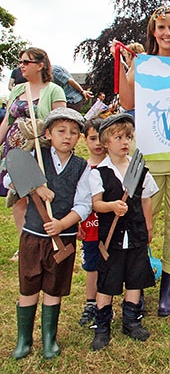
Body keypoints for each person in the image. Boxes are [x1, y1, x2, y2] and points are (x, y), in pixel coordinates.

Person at [113, 5, 170, 317]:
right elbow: (127, 101)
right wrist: (128, 66)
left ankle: (169, 289)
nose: (167, 33)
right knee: (139, 221)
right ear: (153, 32)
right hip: (149, 155)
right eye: (161, 28)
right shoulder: (144, 63)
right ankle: (136, 283)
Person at [9, 107, 91, 360]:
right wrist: (34, 185)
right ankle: (24, 340)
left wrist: (63, 224)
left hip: (62, 240)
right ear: (48, 133)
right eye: (61, 131)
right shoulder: (35, 156)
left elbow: (83, 204)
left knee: (54, 288)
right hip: (33, 235)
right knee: (29, 285)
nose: (67, 136)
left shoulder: (81, 166)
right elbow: (9, 180)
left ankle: (49, 340)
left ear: (79, 138)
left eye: (74, 132)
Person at [89, 114, 158, 350]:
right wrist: (111, 206)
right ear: (105, 142)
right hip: (111, 239)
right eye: (118, 137)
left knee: (135, 277)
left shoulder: (140, 170)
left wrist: (148, 226)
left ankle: (131, 321)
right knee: (108, 280)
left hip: (136, 233)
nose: (124, 141)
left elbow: (147, 199)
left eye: (128, 136)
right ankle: (102, 327)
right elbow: (96, 203)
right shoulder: (99, 172)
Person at [0, 48, 67, 258]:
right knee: (18, 197)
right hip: (14, 151)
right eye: (21, 62)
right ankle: (25, 244)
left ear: (41, 65)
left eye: (27, 62)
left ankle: (43, 239)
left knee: (36, 198)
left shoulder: (54, 90)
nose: (22, 65)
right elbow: (6, 121)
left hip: (39, 151)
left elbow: (61, 121)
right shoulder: (17, 90)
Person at [78, 118, 106, 327]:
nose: (98, 143)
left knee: (115, 264)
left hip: (112, 228)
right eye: (93, 138)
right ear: (85, 140)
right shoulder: (82, 169)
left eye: (101, 138)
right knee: (92, 266)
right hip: (90, 227)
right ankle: (91, 303)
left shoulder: (113, 166)